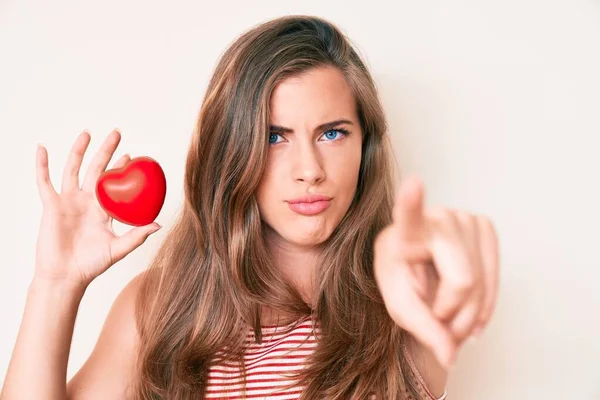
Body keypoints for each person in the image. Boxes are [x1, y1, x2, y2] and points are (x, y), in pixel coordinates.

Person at [1, 15, 499, 400]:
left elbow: (439, 293)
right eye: (274, 137)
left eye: (332, 133)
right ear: (231, 150)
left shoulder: (401, 304)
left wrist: (433, 265)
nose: (310, 169)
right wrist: (56, 284)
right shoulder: (158, 307)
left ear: (364, 147)